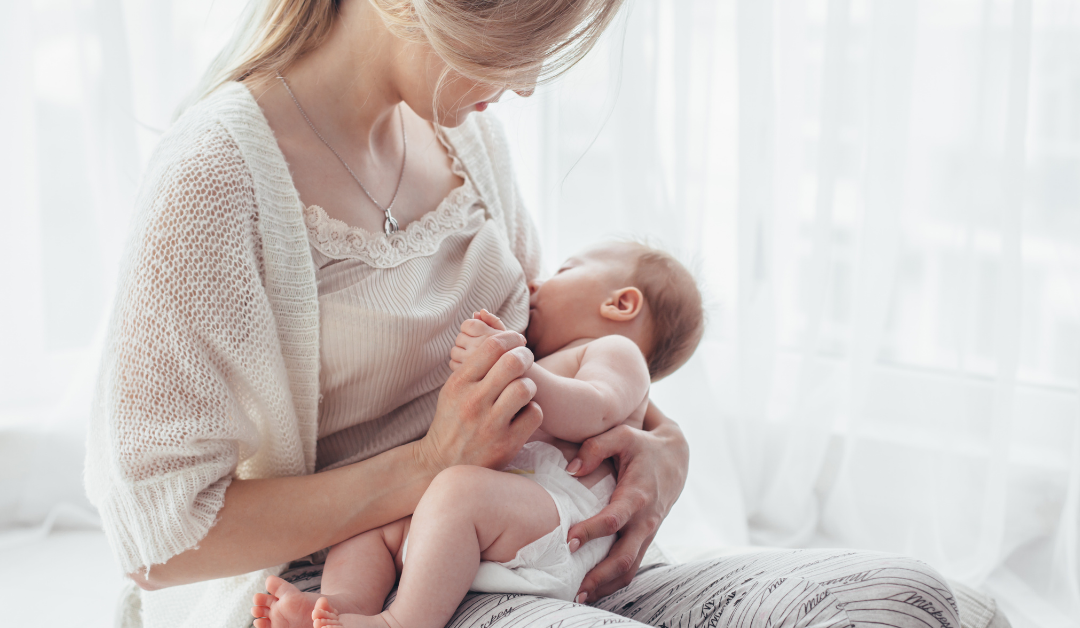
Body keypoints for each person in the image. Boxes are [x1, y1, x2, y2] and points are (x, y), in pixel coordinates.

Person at [84, 0, 962, 627]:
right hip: (359, 586)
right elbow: (160, 545)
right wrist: (429, 468)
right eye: (522, 38)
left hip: (534, 548)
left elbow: (562, 345)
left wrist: (662, 447)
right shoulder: (216, 182)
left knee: (906, 597)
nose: (530, 84)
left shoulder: (462, 134)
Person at [250, 241, 705, 628]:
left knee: (457, 491)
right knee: (369, 522)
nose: (534, 285)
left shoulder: (617, 352)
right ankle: (346, 606)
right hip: (503, 522)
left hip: (566, 523)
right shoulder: (558, 358)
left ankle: (400, 622)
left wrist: (517, 367)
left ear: (620, 303)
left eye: (563, 271)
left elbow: (594, 409)